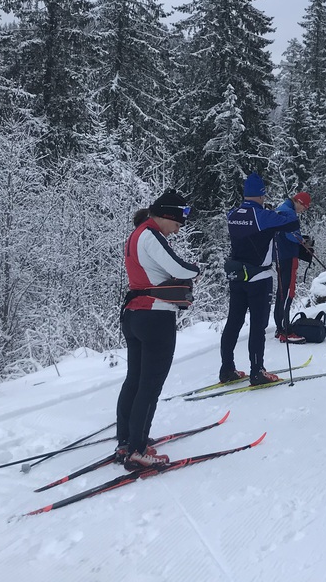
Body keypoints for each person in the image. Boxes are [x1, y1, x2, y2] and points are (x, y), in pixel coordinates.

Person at [116, 189, 200, 470]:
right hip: (155, 317)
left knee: (135, 380)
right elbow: (181, 268)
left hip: (134, 315)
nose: (176, 232)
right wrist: (194, 270)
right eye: (176, 225)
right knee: (149, 386)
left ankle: (126, 441)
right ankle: (138, 450)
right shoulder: (150, 235)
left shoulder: (137, 233)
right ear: (165, 216)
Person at [221, 175, 306, 391]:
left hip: (238, 275)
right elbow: (292, 222)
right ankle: (257, 371)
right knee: (258, 326)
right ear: (261, 194)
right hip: (259, 277)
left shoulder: (233, 214)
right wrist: (281, 210)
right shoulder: (261, 216)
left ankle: (227, 369)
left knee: (234, 322)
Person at [273, 189, 313, 341]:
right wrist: (303, 242)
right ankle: (285, 330)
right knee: (288, 291)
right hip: (289, 256)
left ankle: (280, 326)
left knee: (281, 291)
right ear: (299, 202)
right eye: (304, 207)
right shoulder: (289, 213)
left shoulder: (280, 210)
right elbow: (292, 235)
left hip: (279, 256)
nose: (303, 211)